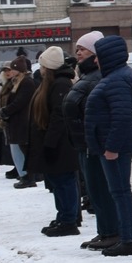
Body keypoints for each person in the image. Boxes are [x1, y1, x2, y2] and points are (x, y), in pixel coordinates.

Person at [84, 34, 132, 256]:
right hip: (113, 143)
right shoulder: (117, 76)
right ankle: (126, 237)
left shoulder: (117, 79)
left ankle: (128, 239)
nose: (95, 61)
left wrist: (112, 147)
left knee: (120, 192)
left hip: (115, 146)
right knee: (119, 191)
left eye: (98, 56)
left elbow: (121, 117)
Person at [65, 33, 116, 249]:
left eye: (83, 49)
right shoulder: (86, 75)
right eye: (77, 49)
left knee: (101, 189)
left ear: (95, 53)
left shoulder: (96, 77)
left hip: (93, 143)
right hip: (84, 142)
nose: (78, 53)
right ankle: (104, 231)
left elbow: (93, 111)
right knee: (95, 190)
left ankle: (111, 232)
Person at [29, 47, 80, 236]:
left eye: (42, 65)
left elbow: (59, 116)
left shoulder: (60, 84)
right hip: (53, 141)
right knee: (58, 181)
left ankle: (68, 220)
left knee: (64, 181)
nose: (40, 69)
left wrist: (50, 142)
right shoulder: (52, 83)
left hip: (61, 143)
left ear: (48, 67)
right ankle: (64, 216)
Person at [1, 60, 36, 186]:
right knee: (20, 149)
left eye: (13, 69)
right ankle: (24, 175)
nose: (11, 72)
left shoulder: (26, 82)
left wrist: (6, 110)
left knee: (25, 150)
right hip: (17, 121)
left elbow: (20, 101)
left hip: (23, 121)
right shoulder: (17, 82)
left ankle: (29, 177)